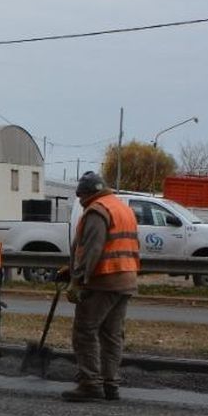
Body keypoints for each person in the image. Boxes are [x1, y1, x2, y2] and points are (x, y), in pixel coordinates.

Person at [56, 172, 140, 402]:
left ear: (87, 193)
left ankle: (90, 383)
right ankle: (110, 384)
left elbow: (93, 247)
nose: (80, 202)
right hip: (125, 278)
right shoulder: (121, 208)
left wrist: (78, 280)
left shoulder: (97, 210)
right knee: (112, 334)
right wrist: (71, 268)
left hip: (103, 280)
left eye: (80, 197)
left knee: (85, 331)